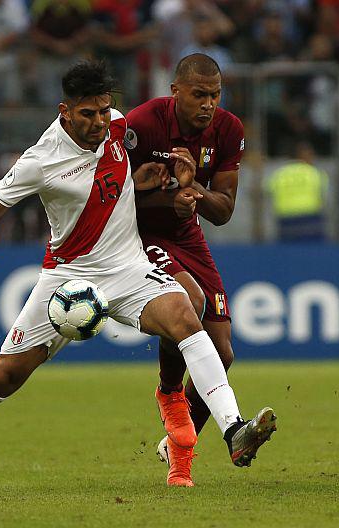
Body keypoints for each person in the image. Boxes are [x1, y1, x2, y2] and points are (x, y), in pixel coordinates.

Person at [0, 60, 276, 493]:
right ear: (65, 111)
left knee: (184, 315)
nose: (100, 121)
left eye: (104, 110)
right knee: (4, 376)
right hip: (68, 280)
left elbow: (120, 186)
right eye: (88, 114)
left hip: (129, 267)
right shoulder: (41, 160)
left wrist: (145, 183)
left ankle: (233, 429)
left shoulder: (120, 128)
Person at [124, 53, 266, 487]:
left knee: (222, 354)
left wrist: (194, 192)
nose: (208, 103)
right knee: (190, 300)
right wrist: (161, 195)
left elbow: (223, 212)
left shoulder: (228, 129)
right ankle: (170, 392)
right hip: (140, 235)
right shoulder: (143, 123)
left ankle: (175, 441)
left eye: (215, 94)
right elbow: (110, 198)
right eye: (199, 94)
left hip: (188, 237)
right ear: (175, 93)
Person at [265, 140, 329, 242]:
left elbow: (267, 193)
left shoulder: (279, 174)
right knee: (315, 253)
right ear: (303, 155)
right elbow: (324, 195)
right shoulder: (314, 173)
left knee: (288, 253)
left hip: (285, 221)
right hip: (310, 220)